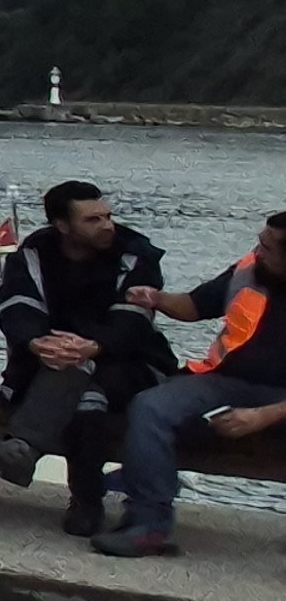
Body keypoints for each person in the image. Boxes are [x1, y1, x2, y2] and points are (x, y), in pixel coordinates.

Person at [0, 180, 175, 533]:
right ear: (62, 226)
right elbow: (17, 308)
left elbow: (133, 323)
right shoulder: (33, 255)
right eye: (93, 220)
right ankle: (86, 503)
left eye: (107, 216)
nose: (107, 226)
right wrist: (38, 343)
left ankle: (26, 447)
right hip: (53, 363)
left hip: (131, 363)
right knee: (86, 396)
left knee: (84, 375)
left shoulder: (136, 256)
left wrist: (94, 347)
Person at [90, 211, 286, 557]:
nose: (258, 250)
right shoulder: (249, 268)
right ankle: (149, 524)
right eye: (260, 241)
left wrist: (262, 416)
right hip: (224, 380)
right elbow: (196, 305)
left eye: (267, 247)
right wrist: (158, 299)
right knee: (150, 407)